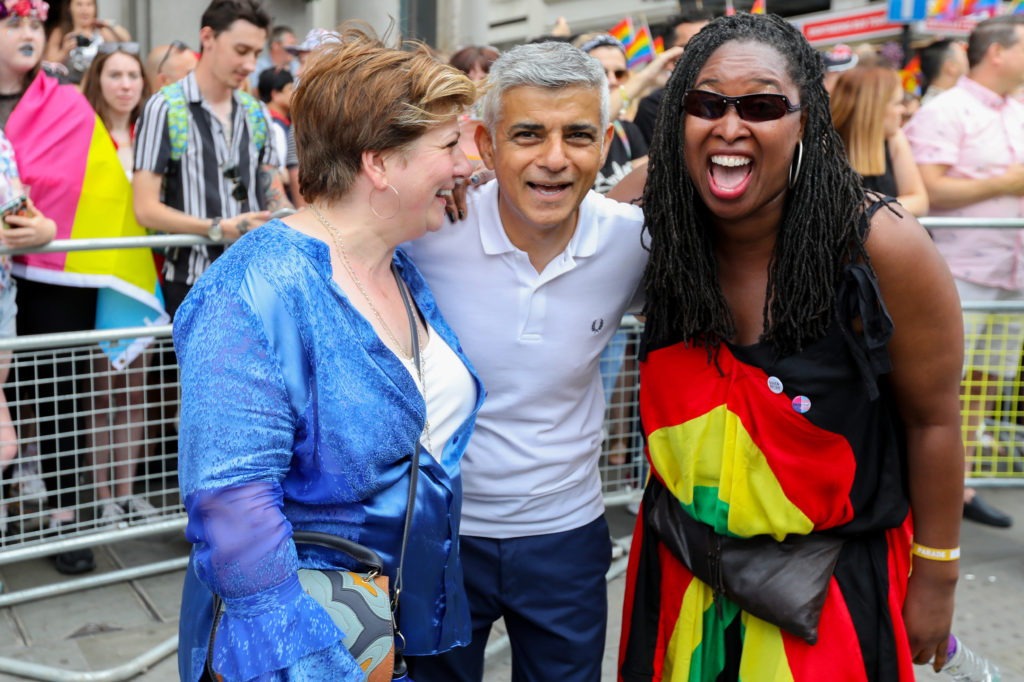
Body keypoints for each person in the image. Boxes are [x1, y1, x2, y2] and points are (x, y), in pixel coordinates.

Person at [619, 13, 963, 680]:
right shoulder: (648, 221)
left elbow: (934, 421)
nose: (729, 126)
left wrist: (938, 576)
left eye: (762, 106)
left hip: (829, 590)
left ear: (807, 121)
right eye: (706, 104)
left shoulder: (880, 247)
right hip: (680, 574)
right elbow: (545, 226)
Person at [174, 25, 482, 681]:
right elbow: (234, 513)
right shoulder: (252, 290)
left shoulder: (396, 265)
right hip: (306, 652)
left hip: (408, 629)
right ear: (379, 162)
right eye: (449, 144)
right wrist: (314, 665)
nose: (464, 165)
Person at [402, 40, 647, 682]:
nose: (555, 160)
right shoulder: (427, 233)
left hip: (567, 536)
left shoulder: (632, 242)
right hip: (438, 533)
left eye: (579, 135)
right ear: (484, 145)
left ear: (606, 140)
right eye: (529, 134)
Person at [2, 0, 161, 574]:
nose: (26, 33)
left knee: (60, 391)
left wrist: (48, 228)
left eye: (33, 24)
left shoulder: (66, 103)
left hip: (53, 275)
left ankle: (68, 516)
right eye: (12, 22)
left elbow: (96, 190)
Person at [905, 14, 1024, 529]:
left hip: (1010, 272)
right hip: (956, 271)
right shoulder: (945, 110)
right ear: (997, 52)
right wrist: (1004, 182)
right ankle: (917, 494)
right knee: (936, 387)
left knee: (982, 386)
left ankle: (958, 487)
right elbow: (925, 190)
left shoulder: (1018, 110)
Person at [133, 0, 290, 319]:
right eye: (241, 50)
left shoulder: (256, 111)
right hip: (193, 282)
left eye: (256, 54)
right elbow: (145, 209)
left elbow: (272, 191)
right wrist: (217, 228)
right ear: (208, 38)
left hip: (256, 277)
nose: (250, 64)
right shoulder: (163, 108)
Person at [80, 41, 156, 524]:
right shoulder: (82, 136)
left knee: (135, 390)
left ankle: (127, 492)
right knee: (98, 391)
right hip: (98, 278)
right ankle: (101, 495)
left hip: (146, 277)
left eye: (133, 76)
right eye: (115, 75)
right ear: (97, 82)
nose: (126, 85)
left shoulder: (152, 136)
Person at [830, 66, 929, 216]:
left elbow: (920, 202)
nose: (902, 109)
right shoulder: (827, 147)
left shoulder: (894, 138)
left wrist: (869, 211)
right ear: (873, 109)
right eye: (896, 103)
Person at [575, 34, 649, 194]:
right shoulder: (566, 132)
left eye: (619, 73)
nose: (612, 80)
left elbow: (648, 189)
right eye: (601, 72)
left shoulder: (628, 131)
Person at [634, 9, 713, 145]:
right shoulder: (654, 107)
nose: (702, 53)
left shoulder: (740, 93)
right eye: (691, 47)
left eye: (710, 44)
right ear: (671, 58)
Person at [44, 0, 130, 84]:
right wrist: (64, 51)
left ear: (95, 8)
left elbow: (126, 40)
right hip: (69, 87)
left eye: (89, 4)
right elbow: (48, 64)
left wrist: (109, 25)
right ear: (69, 7)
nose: (84, 9)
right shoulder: (60, 33)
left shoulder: (102, 32)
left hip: (96, 87)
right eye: (79, 4)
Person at [256, 66, 293, 200]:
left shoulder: (263, 120)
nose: (294, 93)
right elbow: (280, 172)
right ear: (275, 94)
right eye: (290, 89)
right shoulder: (274, 127)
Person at [919, 38, 968, 106]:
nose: (968, 61)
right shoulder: (936, 106)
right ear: (951, 67)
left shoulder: (951, 100)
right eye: (964, 55)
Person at [247, 24, 296, 89]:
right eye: (291, 44)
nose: (296, 48)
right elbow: (251, 92)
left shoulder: (297, 67)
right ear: (275, 45)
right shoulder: (256, 67)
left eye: (295, 44)